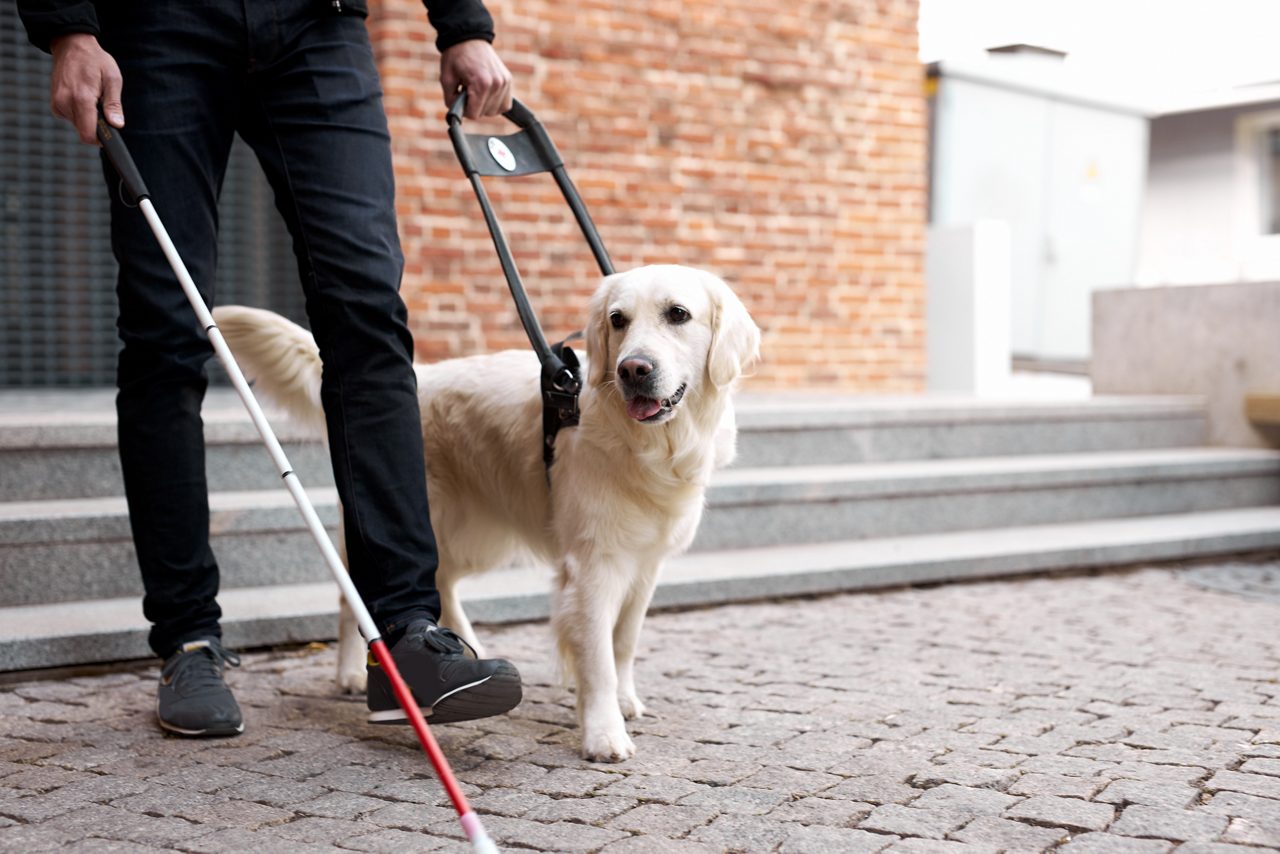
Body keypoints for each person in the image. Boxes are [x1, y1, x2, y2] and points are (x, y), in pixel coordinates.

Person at [17, 0, 522, 737]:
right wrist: (68, 23)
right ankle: (188, 637)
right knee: (165, 327)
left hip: (320, 23)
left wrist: (463, 24)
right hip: (159, 26)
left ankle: (407, 637)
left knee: (368, 315)